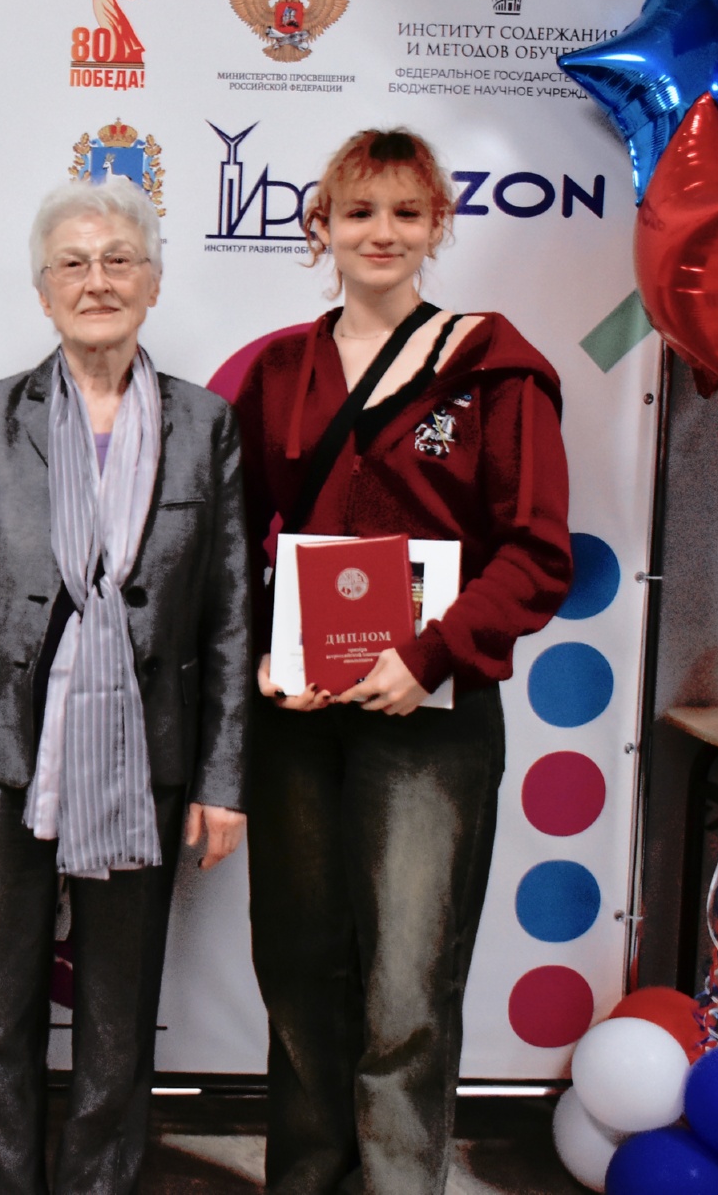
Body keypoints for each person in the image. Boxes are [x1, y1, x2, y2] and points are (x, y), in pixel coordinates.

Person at [230, 128, 573, 1194]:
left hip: (431, 716)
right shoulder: (276, 372)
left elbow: (536, 553)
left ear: (437, 227)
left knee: (408, 983)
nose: (381, 232)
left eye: (405, 213)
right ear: (320, 226)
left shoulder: (494, 367)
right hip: (296, 717)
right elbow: (233, 539)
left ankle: (393, 1182)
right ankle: (307, 1178)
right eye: (359, 211)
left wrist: (429, 655)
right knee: (298, 963)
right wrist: (259, 652)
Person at [0, 173, 252, 1195]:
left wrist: (221, 777)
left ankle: (99, 1183)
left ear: (152, 281)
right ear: (42, 290)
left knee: (118, 1011)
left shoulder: (204, 422)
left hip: (145, 752)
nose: (96, 280)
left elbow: (230, 612)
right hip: (5, 754)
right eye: (72, 263)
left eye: (117, 260)